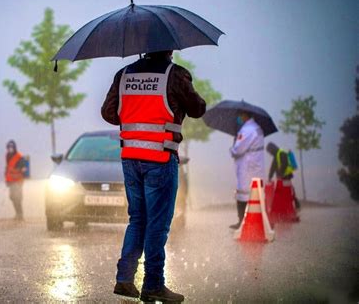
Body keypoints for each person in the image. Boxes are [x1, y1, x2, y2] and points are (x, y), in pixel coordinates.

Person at [101, 50, 206, 302]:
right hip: (160, 159)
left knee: (137, 219)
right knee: (157, 224)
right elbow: (198, 108)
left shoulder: (124, 75)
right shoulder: (176, 75)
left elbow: (108, 112)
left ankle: (125, 279)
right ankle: (153, 286)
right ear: (170, 49)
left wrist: (135, 113)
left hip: (130, 159)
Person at [229, 112, 265, 230]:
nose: (239, 117)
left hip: (247, 166)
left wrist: (232, 149)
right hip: (255, 165)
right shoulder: (257, 127)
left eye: (240, 115)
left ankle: (242, 221)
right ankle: (255, 221)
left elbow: (238, 150)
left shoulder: (247, 130)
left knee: (243, 193)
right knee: (255, 194)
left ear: (245, 116)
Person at [266, 142, 301, 209]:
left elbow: (284, 164)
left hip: (286, 176)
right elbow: (272, 167)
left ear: (272, 149)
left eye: (269, 151)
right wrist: (270, 177)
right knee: (287, 191)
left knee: (288, 191)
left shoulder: (281, 153)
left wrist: (279, 173)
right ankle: (291, 206)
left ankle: (296, 205)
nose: (270, 154)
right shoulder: (277, 155)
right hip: (283, 177)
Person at [5, 140, 26, 221]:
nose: (10, 149)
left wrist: (21, 169)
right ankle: (18, 214)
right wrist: (7, 180)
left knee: (17, 198)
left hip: (18, 181)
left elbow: (23, 168)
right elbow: (7, 169)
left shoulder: (19, 157)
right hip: (11, 181)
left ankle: (20, 215)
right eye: (9, 147)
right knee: (12, 197)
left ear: (14, 147)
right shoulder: (7, 156)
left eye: (11, 147)